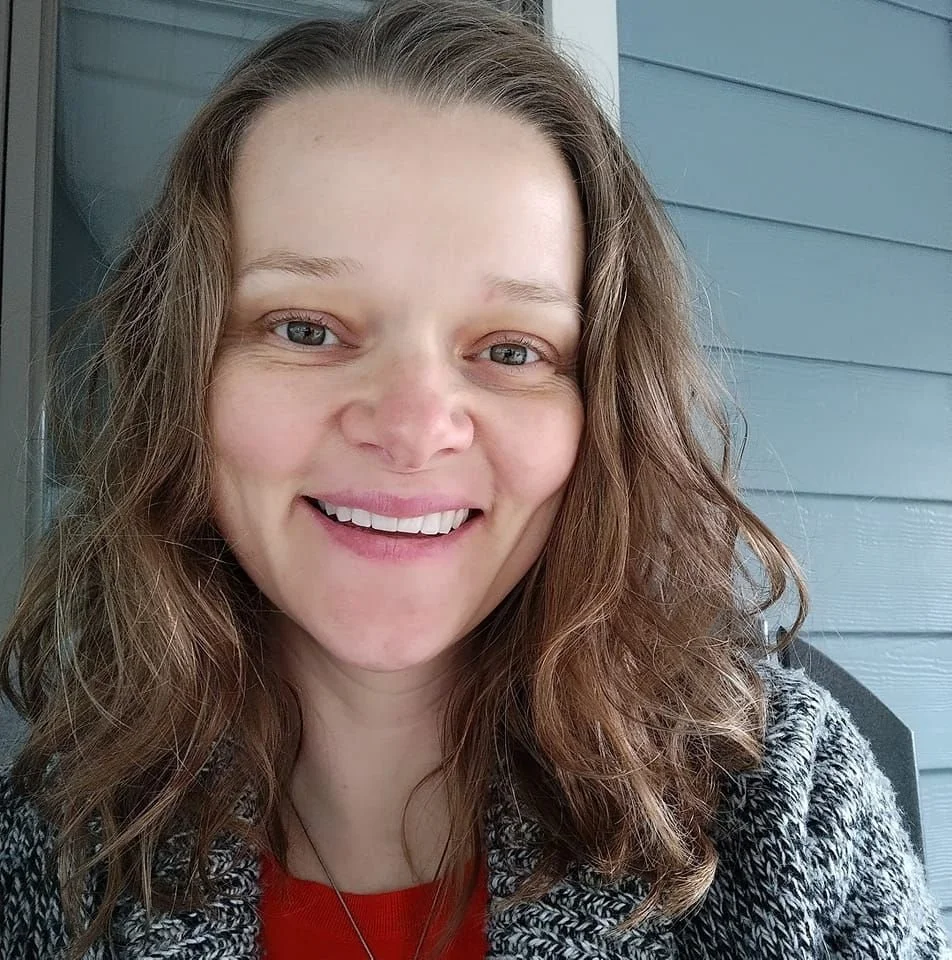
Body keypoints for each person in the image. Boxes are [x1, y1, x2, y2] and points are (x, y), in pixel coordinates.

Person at [1, 0, 949, 957]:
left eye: (511, 348)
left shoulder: (785, 804)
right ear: (183, 378)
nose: (413, 431)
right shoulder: (49, 852)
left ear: (605, 410)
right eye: (306, 328)